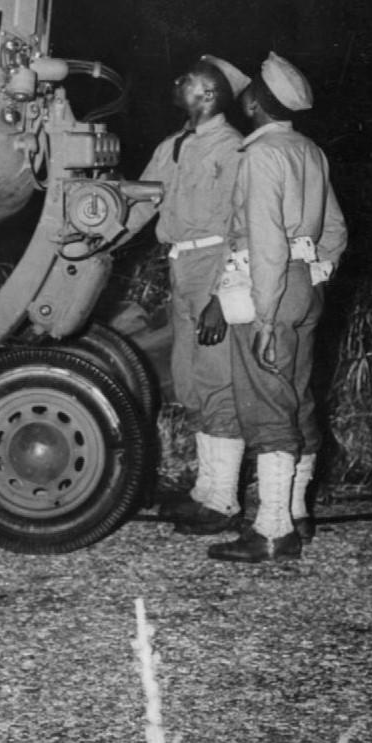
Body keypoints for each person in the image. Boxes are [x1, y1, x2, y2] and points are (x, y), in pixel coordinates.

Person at [206, 52, 348, 564]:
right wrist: (315, 272)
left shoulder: (262, 156)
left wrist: (266, 315)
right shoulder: (309, 151)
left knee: (266, 405)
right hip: (303, 285)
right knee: (297, 398)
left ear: (256, 101)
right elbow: (334, 230)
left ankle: (271, 530)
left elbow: (265, 239)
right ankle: (297, 513)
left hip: (265, 287)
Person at [136, 55, 250, 535]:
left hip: (214, 265)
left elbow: (245, 227)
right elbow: (140, 201)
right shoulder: (172, 147)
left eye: (187, 79)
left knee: (218, 378)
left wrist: (223, 295)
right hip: (181, 264)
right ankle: (206, 490)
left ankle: (223, 500)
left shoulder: (235, 150)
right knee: (190, 379)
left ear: (208, 94)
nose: (177, 82)